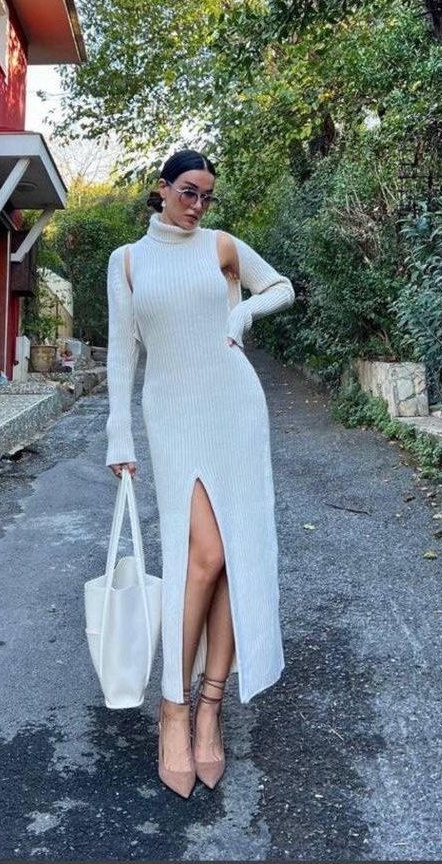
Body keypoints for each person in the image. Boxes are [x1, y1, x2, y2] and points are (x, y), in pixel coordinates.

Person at [105, 149, 295, 797]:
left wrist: (242, 313)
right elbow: (121, 354)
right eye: (188, 191)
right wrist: (118, 434)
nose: (197, 205)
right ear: (161, 188)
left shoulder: (220, 245)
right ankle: (173, 708)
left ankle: (209, 707)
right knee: (203, 556)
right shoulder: (128, 261)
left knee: (233, 556)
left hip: (233, 404)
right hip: (171, 413)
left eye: (207, 196)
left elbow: (280, 286)